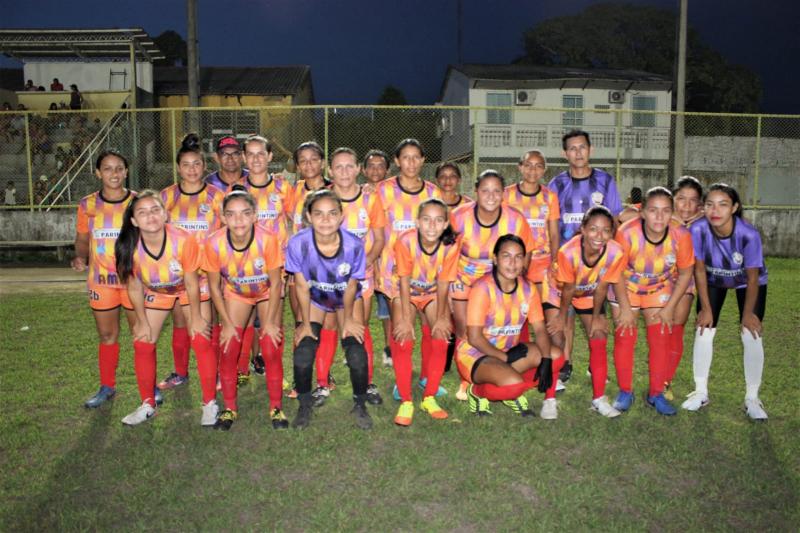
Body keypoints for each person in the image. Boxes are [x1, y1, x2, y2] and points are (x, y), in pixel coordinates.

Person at [114, 191, 217, 426]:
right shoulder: (127, 246)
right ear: (133, 220)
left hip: (190, 288)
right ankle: (147, 404)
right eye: (142, 212)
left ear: (165, 214)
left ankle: (209, 403)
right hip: (159, 292)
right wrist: (140, 320)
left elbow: (191, 281)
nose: (150, 216)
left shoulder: (183, 239)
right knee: (142, 341)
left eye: (155, 210)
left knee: (200, 338)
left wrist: (198, 316)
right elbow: (135, 287)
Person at [285, 190, 373, 430]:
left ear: (341, 216)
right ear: (308, 216)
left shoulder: (354, 245)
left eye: (332, 213)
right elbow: (301, 286)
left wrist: (349, 320)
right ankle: (304, 406)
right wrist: (304, 323)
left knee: (356, 352)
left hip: (345, 299)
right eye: (319, 214)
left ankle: (360, 404)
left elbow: (352, 285)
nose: (326, 220)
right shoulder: (298, 243)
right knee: (303, 352)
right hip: (315, 300)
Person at [681, 183, 770, 420]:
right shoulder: (698, 229)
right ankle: (700, 392)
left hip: (746, 282)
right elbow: (699, 270)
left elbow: (752, 278)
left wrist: (748, 314)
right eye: (709, 204)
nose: (715, 210)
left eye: (723, 204)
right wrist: (706, 308)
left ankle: (752, 398)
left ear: (734, 208)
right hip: (712, 278)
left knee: (751, 332)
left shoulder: (748, 234)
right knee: (704, 329)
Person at [456, 235, 565, 419]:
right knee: (513, 387)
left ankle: (514, 384)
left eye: (518, 257)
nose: (513, 263)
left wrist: (545, 359)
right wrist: (504, 357)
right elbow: (474, 337)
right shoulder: (482, 288)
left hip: (508, 351)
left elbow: (539, 329)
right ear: (495, 259)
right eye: (506, 256)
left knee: (556, 357)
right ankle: (476, 391)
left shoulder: (528, 289)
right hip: (475, 354)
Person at [204, 186, 286, 430]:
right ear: (223, 217)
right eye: (231, 214)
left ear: (254, 215)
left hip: (266, 293)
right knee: (229, 347)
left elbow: (275, 283)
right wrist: (226, 324)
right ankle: (230, 408)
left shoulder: (268, 239)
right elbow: (214, 287)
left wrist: (270, 322)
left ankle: (276, 407)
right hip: (236, 293)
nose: (238, 220)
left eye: (244, 213)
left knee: (270, 345)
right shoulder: (214, 243)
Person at [450, 170, 535, 400]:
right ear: (476, 192)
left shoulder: (515, 219)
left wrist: (518, 283)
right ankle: (465, 379)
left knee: (497, 328)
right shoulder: (458, 217)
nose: (490, 195)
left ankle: (498, 367)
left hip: (499, 282)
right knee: (464, 330)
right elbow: (447, 253)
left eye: (496, 191)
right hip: (464, 281)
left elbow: (526, 253)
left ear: (503, 194)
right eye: (485, 190)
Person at [609, 187, 695, 416]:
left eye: (666, 211)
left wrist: (669, 308)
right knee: (625, 336)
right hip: (626, 287)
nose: (660, 217)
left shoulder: (681, 235)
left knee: (660, 338)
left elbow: (686, 273)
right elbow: (615, 272)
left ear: (672, 213)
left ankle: (656, 393)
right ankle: (625, 391)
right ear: (642, 212)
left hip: (659, 286)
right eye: (653, 210)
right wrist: (625, 308)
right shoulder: (627, 233)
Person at [547, 129, 623, 386]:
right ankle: (565, 363)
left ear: (590, 150)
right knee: (565, 314)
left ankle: (595, 364)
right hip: (567, 260)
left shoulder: (605, 181)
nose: (578, 153)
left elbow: (613, 220)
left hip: (596, 262)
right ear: (564, 153)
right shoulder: (556, 184)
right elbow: (553, 224)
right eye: (572, 148)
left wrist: (608, 254)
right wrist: (553, 258)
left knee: (595, 313)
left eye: (582, 147)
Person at [542, 206, 627, 417]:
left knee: (598, 335)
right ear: (583, 229)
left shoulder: (616, 252)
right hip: (558, 292)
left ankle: (599, 398)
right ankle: (549, 399)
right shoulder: (567, 252)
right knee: (557, 340)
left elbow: (602, 287)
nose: (599, 236)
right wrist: (561, 318)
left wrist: (597, 316)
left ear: (612, 232)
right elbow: (568, 289)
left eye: (606, 230)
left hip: (589, 292)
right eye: (594, 229)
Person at [375, 139, 443, 396]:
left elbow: (441, 230)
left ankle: (426, 378)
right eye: (406, 157)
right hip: (394, 272)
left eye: (416, 157)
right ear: (396, 161)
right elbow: (376, 231)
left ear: (424, 160)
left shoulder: (433, 193)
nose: (411, 163)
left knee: (430, 325)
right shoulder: (382, 191)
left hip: (427, 273)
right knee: (402, 328)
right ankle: (401, 380)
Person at [157, 133, 225, 391]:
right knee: (181, 323)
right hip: (176, 274)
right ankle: (180, 372)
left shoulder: (217, 197)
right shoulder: (166, 197)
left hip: (208, 274)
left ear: (204, 166)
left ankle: (215, 372)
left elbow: (226, 232)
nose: (192, 169)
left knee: (207, 325)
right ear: (178, 168)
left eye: (196, 164)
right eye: (186, 165)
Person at [71, 151, 136, 408]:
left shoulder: (137, 201)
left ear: (126, 171)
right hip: (101, 282)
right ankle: (107, 387)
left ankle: (149, 386)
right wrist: (80, 257)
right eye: (107, 169)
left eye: (119, 168)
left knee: (141, 335)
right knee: (107, 335)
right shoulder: (88, 204)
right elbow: (83, 239)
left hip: (133, 282)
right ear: (98, 173)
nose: (114, 173)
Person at [391, 199, 460, 425]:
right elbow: (403, 280)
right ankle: (406, 400)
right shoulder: (406, 241)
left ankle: (429, 396)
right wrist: (403, 318)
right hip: (405, 292)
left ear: (446, 223)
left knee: (441, 336)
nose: (432, 226)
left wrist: (441, 318)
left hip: (431, 293)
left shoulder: (450, 246)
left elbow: (443, 283)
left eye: (438, 220)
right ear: (418, 222)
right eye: (427, 220)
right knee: (403, 337)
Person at [328, 147, 386, 405]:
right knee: (329, 328)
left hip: (362, 275)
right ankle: (321, 383)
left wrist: (364, 265)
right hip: (328, 277)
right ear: (330, 171)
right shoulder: (321, 197)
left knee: (360, 327)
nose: (344, 172)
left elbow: (379, 239)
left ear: (358, 169)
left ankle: (367, 384)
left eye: (349, 166)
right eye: (338, 167)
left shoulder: (370, 199)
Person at [240, 135, 294, 379]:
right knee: (247, 320)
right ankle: (252, 361)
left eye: (260, 153)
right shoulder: (237, 189)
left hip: (276, 267)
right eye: (250, 154)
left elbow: (296, 222)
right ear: (244, 158)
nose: (256, 158)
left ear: (270, 156)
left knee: (272, 319)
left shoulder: (283, 187)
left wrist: (292, 262)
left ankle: (274, 367)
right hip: (243, 268)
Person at [664, 176, 704, 399]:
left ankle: (665, 381)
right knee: (660, 329)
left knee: (677, 325)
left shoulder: (704, 224)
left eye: (693, 201)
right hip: (657, 279)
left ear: (700, 205)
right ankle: (655, 377)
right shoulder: (661, 217)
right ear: (672, 200)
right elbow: (627, 214)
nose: (686, 206)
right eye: (681, 199)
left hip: (685, 280)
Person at [503, 150, 560, 290]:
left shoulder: (550, 197)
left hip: (542, 260)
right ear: (520, 167)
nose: (533, 170)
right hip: (514, 259)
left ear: (544, 169)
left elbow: (553, 234)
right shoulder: (506, 194)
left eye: (538, 166)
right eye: (528, 165)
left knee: (541, 307)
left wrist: (555, 261)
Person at [363, 148, 394, 367]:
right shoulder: (358, 193)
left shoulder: (394, 192)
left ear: (388, 169)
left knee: (387, 308)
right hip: (362, 261)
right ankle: (356, 348)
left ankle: (389, 349)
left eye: (380, 165)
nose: (376, 170)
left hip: (387, 260)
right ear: (363, 170)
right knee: (357, 308)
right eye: (371, 165)